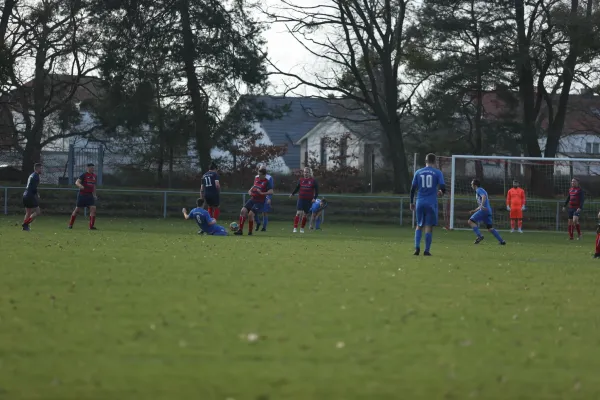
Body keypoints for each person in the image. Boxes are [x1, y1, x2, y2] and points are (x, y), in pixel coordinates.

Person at [410, 153, 446, 256]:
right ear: (435, 161)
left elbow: (412, 189)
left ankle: (417, 248)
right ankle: (426, 250)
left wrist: (411, 202)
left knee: (419, 225)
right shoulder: (437, 172)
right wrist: (440, 192)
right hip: (431, 202)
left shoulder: (418, 172)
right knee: (429, 226)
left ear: (425, 161)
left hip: (420, 202)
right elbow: (443, 188)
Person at [235, 165, 273, 235]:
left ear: (264, 175)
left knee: (250, 214)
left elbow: (271, 191)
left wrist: (262, 193)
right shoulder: (257, 178)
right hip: (253, 199)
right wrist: (250, 190)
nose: (259, 176)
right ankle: (240, 230)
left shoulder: (267, 181)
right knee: (243, 211)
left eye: (260, 175)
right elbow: (254, 185)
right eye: (258, 174)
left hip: (260, 201)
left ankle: (250, 232)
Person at [468, 179, 506, 245]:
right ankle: (501, 241)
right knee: (490, 228)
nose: (471, 185)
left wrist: (482, 205)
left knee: (470, 221)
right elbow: (481, 204)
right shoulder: (482, 190)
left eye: (472, 184)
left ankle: (479, 236)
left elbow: (483, 197)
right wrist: (474, 210)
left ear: (475, 185)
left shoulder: (478, 190)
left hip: (483, 211)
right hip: (488, 211)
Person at [68, 163, 98, 230]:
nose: (93, 169)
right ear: (87, 168)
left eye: (93, 168)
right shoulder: (84, 175)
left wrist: (94, 195)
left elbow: (94, 186)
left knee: (93, 209)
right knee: (77, 210)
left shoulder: (94, 176)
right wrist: (80, 186)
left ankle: (91, 226)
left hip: (90, 195)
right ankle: (70, 224)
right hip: (82, 195)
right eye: (91, 168)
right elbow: (77, 182)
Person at [290, 167, 319, 233]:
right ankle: (295, 228)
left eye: (307, 172)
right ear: (303, 173)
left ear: (310, 173)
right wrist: (293, 194)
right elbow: (297, 188)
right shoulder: (301, 180)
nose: (306, 173)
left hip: (309, 200)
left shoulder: (313, 181)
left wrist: (314, 198)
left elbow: (317, 191)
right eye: (305, 172)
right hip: (301, 199)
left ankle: (302, 228)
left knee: (305, 214)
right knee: (298, 213)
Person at [22, 163, 43, 231]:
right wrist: (36, 195)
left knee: (28, 212)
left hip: (25, 194)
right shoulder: (36, 176)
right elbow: (34, 188)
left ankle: (25, 228)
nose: (41, 170)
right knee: (38, 211)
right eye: (41, 168)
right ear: (38, 168)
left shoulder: (31, 175)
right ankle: (25, 224)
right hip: (30, 195)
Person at [254, 165, 274, 232]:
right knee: (253, 211)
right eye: (261, 169)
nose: (262, 170)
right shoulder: (256, 177)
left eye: (263, 169)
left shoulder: (269, 178)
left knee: (264, 212)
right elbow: (255, 186)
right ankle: (258, 223)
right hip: (257, 197)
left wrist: (269, 198)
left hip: (265, 197)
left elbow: (270, 189)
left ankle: (264, 227)